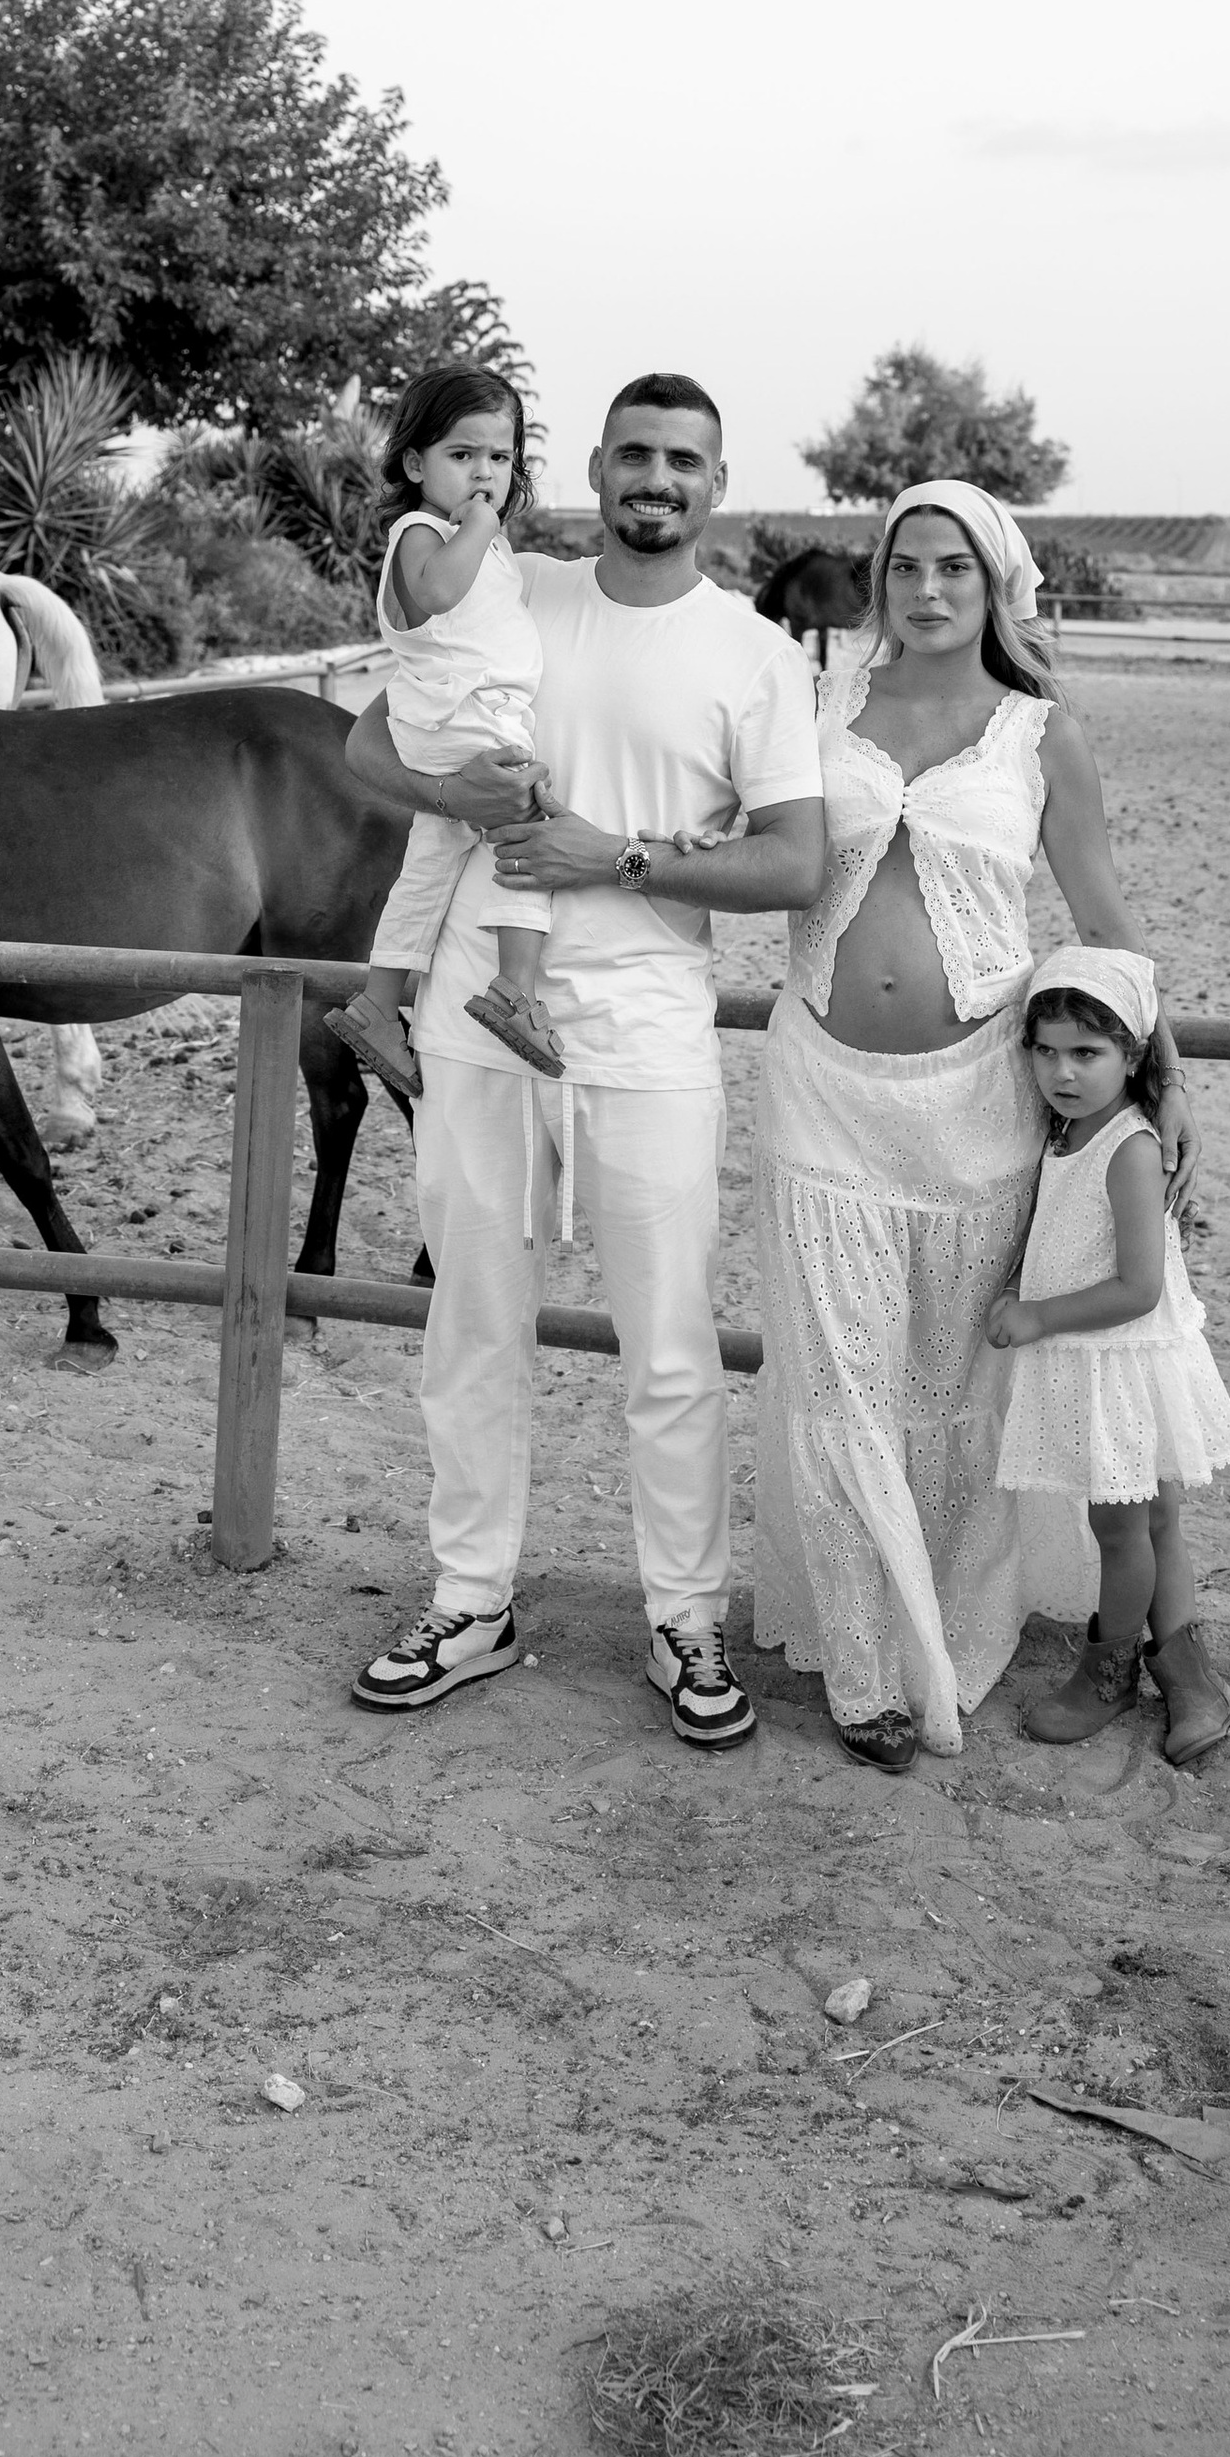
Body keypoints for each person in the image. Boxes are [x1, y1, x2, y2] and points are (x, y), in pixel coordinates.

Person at [340, 375, 825, 1749]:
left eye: (683, 460)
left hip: (650, 1021)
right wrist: (456, 796)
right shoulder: (515, 587)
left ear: (716, 484)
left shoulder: (753, 654)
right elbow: (377, 740)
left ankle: (684, 1618)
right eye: (632, 455)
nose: (654, 478)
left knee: (668, 1342)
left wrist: (616, 856)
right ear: (597, 469)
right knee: (472, 1316)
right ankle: (470, 1600)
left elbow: (794, 860)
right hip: (472, 1012)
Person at [753, 482, 1201, 1772]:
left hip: (979, 1108)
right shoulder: (815, 707)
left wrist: (1166, 1074)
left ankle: (941, 1633)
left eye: (956, 567)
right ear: (879, 577)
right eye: (906, 565)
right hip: (821, 1090)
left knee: (954, 1390)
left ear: (995, 585)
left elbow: (1103, 908)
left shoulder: (1038, 734)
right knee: (839, 1386)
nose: (929, 589)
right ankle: (861, 1673)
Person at [988, 947, 1230, 1764]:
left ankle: (1110, 1670)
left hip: (1120, 1362)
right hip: (1111, 1362)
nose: (1063, 1072)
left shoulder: (1130, 1150)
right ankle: (1193, 1678)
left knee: (1122, 1528)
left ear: (1134, 1055)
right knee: (1156, 1519)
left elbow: (1138, 1287)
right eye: (1047, 1050)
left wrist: (1035, 1318)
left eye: (1088, 1054)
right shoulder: (1068, 1131)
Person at [325, 363, 565, 1097]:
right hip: (468, 718)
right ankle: (515, 990)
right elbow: (432, 595)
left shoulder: (471, 543)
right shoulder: (422, 533)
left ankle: (376, 1001)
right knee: (527, 840)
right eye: (462, 457)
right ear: (414, 463)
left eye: (499, 457)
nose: (484, 475)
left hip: (456, 716)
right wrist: (484, 525)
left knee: (426, 865)